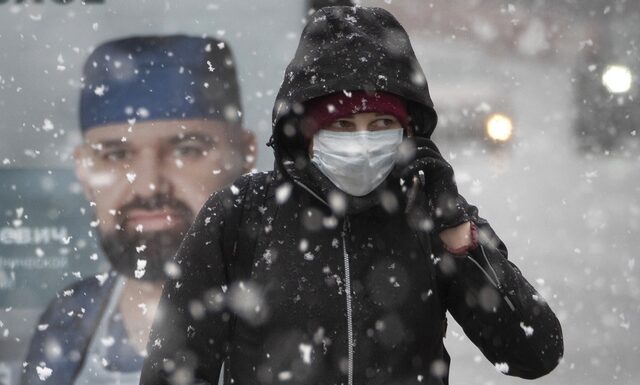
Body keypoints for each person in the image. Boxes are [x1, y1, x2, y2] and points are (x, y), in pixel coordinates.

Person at [140, 6, 563, 385]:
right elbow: (173, 368)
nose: (362, 142)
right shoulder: (241, 213)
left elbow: (534, 354)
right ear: (304, 135)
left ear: (408, 134)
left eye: (381, 124)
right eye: (341, 126)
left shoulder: (431, 213)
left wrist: (458, 236)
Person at [20, 35, 255, 385]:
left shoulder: (301, 310)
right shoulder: (68, 318)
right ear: (85, 171)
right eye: (116, 154)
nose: (148, 185)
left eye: (186, 149)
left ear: (244, 156)